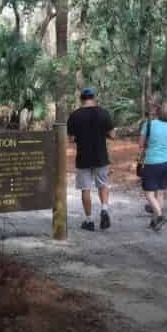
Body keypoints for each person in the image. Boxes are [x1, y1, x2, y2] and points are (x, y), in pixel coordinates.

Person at [67, 87, 115, 231]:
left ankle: (89, 221)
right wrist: (102, 134)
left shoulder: (75, 115)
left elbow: (71, 138)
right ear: (93, 98)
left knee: (85, 189)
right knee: (103, 184)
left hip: (83, 158)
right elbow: (112, 135)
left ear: (81, 99)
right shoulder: (103, 113)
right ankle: (104, 209)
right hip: (101, 156)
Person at [139, 93, 167, 231]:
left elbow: (141, 144)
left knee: (149, 194)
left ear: (156, 110)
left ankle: (159, 216)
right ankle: (155, 222)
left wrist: (148, 142)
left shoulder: (148, 124)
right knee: (160, 193)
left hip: (153, 162)